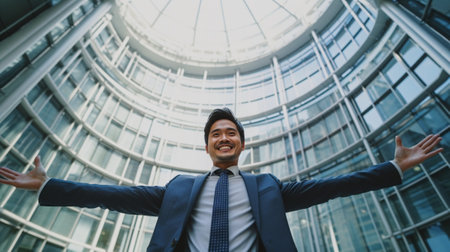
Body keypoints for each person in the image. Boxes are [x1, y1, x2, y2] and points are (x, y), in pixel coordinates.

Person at [0, 108, 443, 252]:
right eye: (217, 133)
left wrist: (393, 169)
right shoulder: (178, 189)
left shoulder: (268, 187)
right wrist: (46, 186)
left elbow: (334, 185)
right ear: (208, 146)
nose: (224, 137)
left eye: (231, 132)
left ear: (241, 145)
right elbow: (111, 196)